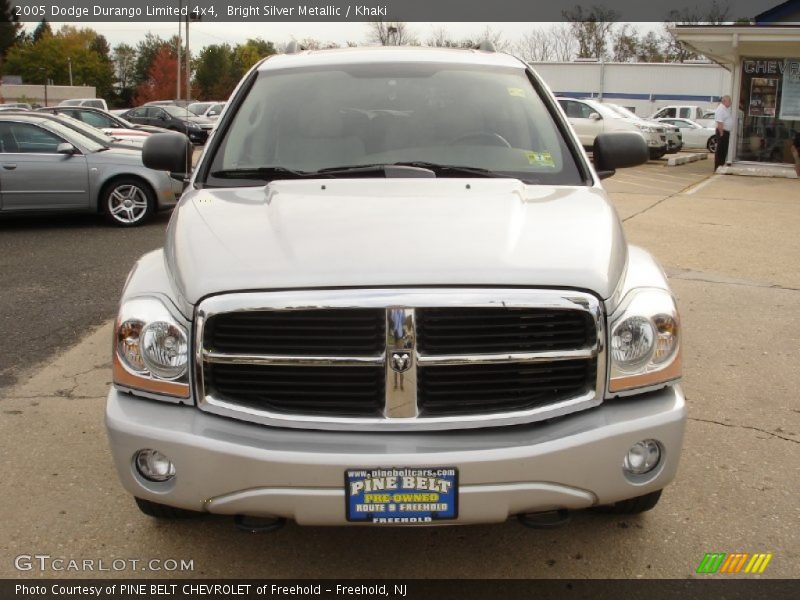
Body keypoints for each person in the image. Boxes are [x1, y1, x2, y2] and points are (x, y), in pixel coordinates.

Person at [714, 95, 733, 171]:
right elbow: (719, 122)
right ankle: (718, 167)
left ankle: (721, 165)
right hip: (722, 132)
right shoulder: (720, 109)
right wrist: (721, 134)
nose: (731, 103)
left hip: (725, 132)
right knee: (720, 150)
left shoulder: (724, 109)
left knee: (724, 150)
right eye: (730, 101)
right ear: (725, 101)